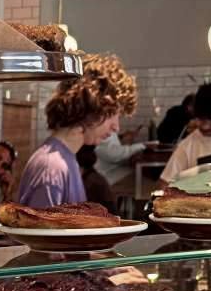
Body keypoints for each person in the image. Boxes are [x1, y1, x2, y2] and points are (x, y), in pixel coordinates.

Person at [16, 53, 137, 208]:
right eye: (113, 114)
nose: (116, 127)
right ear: (91, 106)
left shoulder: (67, 158)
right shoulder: (52, 168)